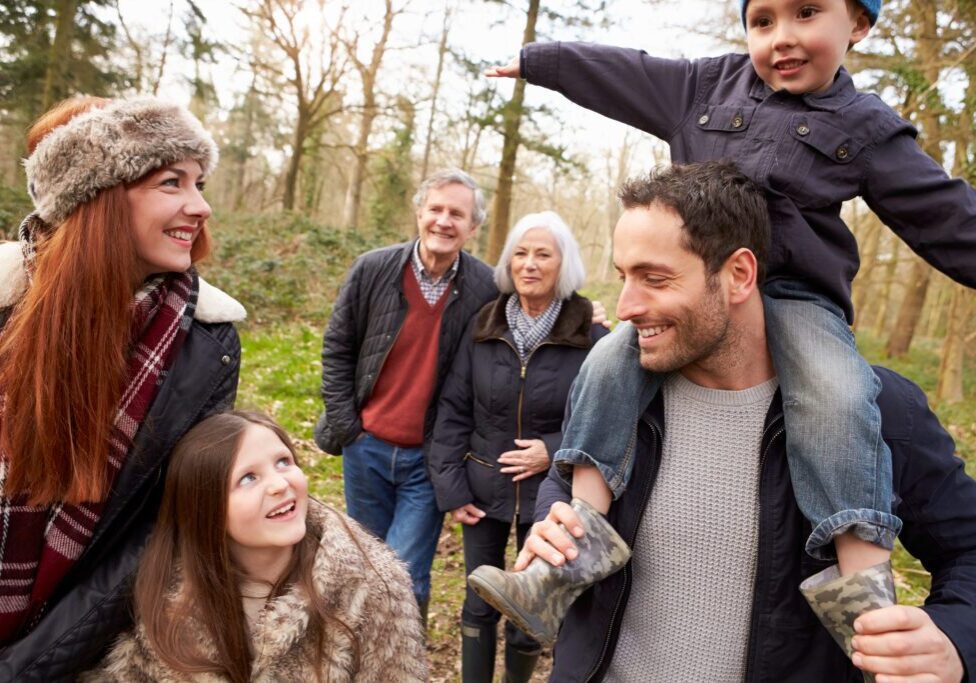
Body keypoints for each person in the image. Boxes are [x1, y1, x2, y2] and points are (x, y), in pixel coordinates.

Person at [482, 0, 976, 650]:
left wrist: (942, 645)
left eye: (806, 13)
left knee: (837, 393)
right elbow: (623, 72)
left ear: (857, 24)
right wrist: (541, 61)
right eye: (763, 20)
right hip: (691, 300)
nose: (783, 38)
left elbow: (946, 216)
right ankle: (567, 558)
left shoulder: (865, 126)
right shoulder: (704, 86)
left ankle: (865, 605)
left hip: (798, 298)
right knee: (604, 363)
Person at [509, 162, 975, 682]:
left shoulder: (876, 410)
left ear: (738, 275)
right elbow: (566, 476)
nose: (626, 307)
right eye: (623, 277)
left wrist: (955, 639)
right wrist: (554, 519)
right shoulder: (615, 392)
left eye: (654, 279)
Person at [0, 96, 245, 680]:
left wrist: (27, 666)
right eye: (172, 182)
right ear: (99, 196)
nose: (201, 205)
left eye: (199, 182)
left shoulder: (206, 344)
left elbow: (160, 531)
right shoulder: (7, 307)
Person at [86, 411, 428, 682]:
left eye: (284, 462)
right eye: (248, 478)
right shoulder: (164, 593)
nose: (280, 484)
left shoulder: (372, 587)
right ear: (206, 509)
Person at [427, 211, 609, 682]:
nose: (530, 264)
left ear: (562, 265)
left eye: (543, 254)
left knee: (531, 606)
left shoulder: (591, 335)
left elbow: (604, 418)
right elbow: (452, 410)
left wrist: (552, 448)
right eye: (521, 254)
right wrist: (452, 489)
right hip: (482, 487)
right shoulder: (483, 324)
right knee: (479, 601)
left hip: (550, 497)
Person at [313, 169, 498, 621]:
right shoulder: (373, 269)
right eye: (435, 209)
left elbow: (530, 318)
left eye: (457, 213)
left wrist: (584, 314)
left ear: (473, 227)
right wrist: (348, 429)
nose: (443, 221)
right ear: (418, 212)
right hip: (366, 448)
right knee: (365, 565)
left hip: (428, 459)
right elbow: (338, 349)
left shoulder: (486, 287)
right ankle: (362, 656)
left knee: (406, 574)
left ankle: (403, 662)